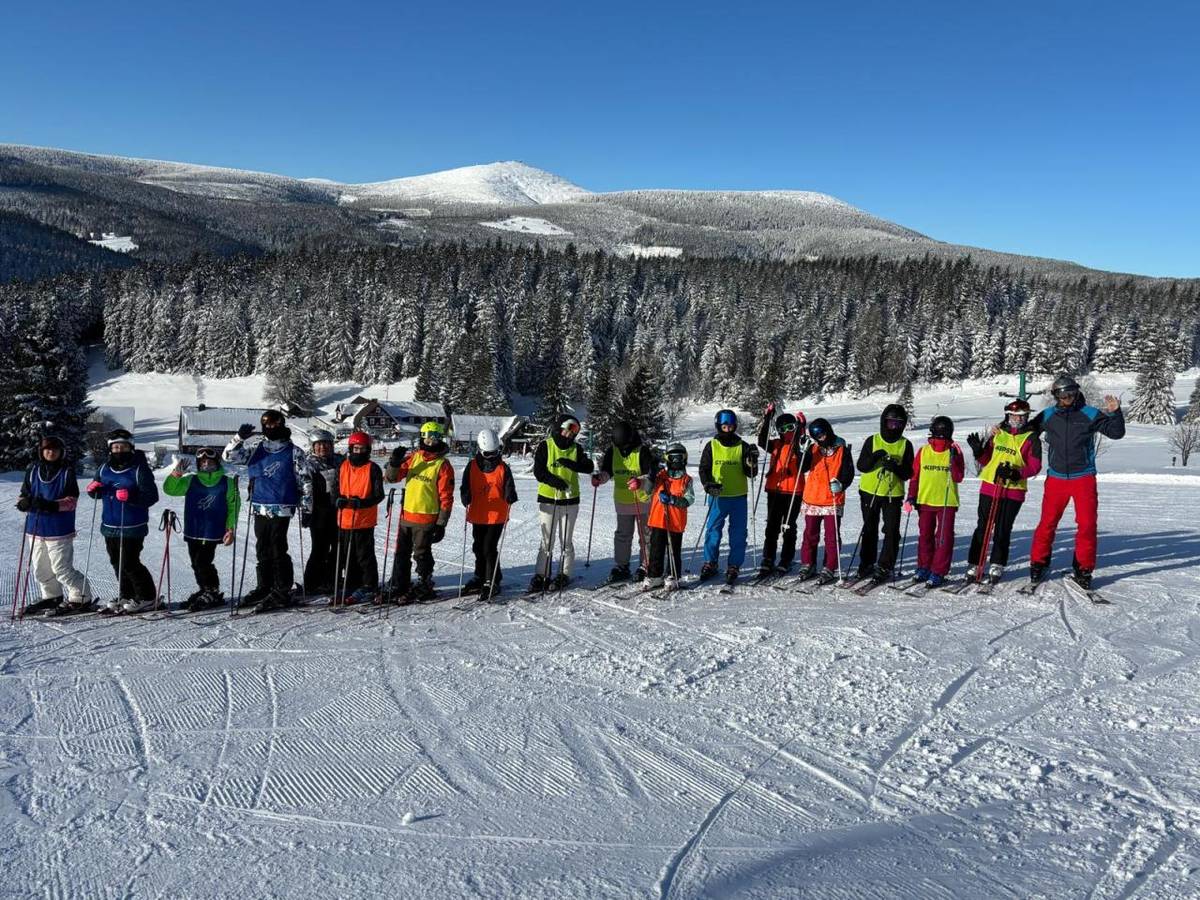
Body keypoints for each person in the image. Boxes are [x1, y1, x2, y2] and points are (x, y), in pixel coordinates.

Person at [1027, 375, 1125, 590]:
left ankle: (1083, 568)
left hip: (1084, 477)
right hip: (1056, 479)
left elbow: (1116, 433)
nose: (1067, 398)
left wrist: (1115, 412)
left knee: (1087, 525)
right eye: (1062, 395)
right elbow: (1025, 431)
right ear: (1056, 396)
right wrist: (1004, 427)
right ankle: (1038, 562)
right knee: (1047, 523)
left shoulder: (1089, 413)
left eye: (1070, 393)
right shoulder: (1048, 415)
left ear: (1077, 391)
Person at [223, 409, 312, 612]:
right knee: (262, 547)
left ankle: (282, 587)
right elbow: (229, 457)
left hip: (282, 505)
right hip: (260, 504)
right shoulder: (257, 448)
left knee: (277, 546)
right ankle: (265, 585)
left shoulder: (294, 451)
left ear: (282, 424)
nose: (271, 428)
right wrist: (238, 438)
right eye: (267, 425)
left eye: (275, 424)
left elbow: (305, 481)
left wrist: (307, 508)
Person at [965, 399, 1043, 584]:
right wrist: (978, 451)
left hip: (1013, 490)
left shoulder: (1031, 438)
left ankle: (997, 563)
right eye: (1013, 416)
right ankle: (975, 563)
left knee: (1002, 528)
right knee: (983, 526)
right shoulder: (998, 433)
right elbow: (987, 460)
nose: (1017, 420)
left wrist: (1016, 473)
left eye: (1021, 417)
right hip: (990, 486)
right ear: (1007, 416)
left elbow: (1035, 465)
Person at [16, 434, 92, 615]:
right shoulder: (33, 469)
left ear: (61, 452)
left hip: (59, 529)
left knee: (61, 569)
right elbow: (24, 493)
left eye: (55, 450)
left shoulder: (66, 472)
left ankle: (81, 596)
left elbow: (72, 501)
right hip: (35, 527)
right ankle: (51, 596)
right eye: (47, 449)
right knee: (40, 569)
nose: (51, 452)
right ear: (41, 451)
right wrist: (23, 503)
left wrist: (51, 505)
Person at [86, 429, 160, 613]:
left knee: (129, 562)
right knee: (116, 562)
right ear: (111, 449)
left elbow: (152, 496)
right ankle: (126, 594)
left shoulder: (139, 469)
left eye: (124, 447)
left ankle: (147, 597)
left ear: (131, 448)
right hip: (110, 524)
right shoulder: (104, 468)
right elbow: (98, 489)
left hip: (132, 526)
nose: (119, 450)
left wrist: (132, 497)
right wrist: (93, 490)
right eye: (116, 447)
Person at [163, 447, 241, 610]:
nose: (206, 464)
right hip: (194, 529)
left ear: (216, 462)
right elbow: (170, 489)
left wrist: (230, 528)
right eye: (203, 462)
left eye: (210, 461)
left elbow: (233, 506)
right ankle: (205, 589)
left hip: (212, 531)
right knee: (195, 563)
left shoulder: (227, 482)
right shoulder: (191, 479)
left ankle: (212, 591)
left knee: (203, 562)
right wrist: (176, 474)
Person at [385, 421, 454, 601]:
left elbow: (446, 497)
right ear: (422, 438)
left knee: (421, 553)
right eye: (428, 438)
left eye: (436, 438)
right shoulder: (414, 457)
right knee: (401, 552)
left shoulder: (442, 465)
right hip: (407, 515)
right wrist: (394, 462)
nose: (432, 442)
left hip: (426, 519)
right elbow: (392, 478)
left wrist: (441, 524)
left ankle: (424, 581)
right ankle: (400, 581)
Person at [530, 414, 594, 591]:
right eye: (568, 430)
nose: (570, 435)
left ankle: (564, 573)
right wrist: (553, 480)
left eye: (574, 432)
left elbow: (589, 466)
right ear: (559, 428)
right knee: (546, 540)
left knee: (566, 540)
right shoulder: (546, 446)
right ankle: (541, 574)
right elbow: (539, 471)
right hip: (548, 500)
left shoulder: (576, 449)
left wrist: (572, 465)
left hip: (570, 500)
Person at [698, 409, 760, 587]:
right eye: (724, 426)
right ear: (718, 426)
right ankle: (710, 562)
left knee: (738, 534)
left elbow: (751, 473)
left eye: (731, 426)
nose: (728, 429)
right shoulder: (712, 446)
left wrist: (752, 461)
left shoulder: (743, 446)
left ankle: (734, 565)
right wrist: (708, 484)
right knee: (713, 531)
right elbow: (704, 469)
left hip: (738, 496)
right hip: (718, 497)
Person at [854, 403, 914, 585]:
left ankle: (885, 565)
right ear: (884, 422)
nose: (893, 427)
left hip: (892, 494)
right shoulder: (872, 440)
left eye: (898, 424)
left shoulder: (906, 444)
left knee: (891, 531)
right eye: (890, 423)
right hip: (869, 491)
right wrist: (873, 458)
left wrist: (895, 467)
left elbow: (908, 473)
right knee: (869, 529)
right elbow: (861, 466)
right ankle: (867, 563)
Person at [904, 416, 966, 588]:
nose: (940, 436)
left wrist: (953, 460)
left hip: (946, 502)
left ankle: (938, 571)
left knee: (943, 538)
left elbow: (958, 477)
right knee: (925, 536)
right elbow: (915, 477)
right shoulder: (923, 451)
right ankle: (924, 566)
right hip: (925, 500)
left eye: (943, 433)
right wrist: (911, 496)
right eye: (938, 432)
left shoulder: (954, 450)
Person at [592, 421, 656, 584]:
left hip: (642, 500)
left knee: (646, 535)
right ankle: (622, 566)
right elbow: (608, 471)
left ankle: (646, 565)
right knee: (622, 535)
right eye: (620, 446)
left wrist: (639, 482)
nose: (623, 449)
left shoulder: (642, 451)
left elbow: (651, 475)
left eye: (625, 445)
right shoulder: (612, 451)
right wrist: (600, 478)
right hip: (622, 501)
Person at [460, 428, 518, 600]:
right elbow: (465, 486)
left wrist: (509, 494)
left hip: (496, 515)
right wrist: (465, 496)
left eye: (494, 453)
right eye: (488, 453)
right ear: (479, 449)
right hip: (478, 513)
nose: (491, 457)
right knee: (478, 547)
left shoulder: (503, 468)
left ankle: (490, 580)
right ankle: (481, 575)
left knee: (488, 548)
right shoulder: (471, 466)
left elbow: (509, 486)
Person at [798, 418, 854, 584]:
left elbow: (848, 472)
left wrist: (841, 483)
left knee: (831, 537)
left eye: (822, 434)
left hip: (832, 499)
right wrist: (802, 451)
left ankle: (830, 566)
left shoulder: (842, 449)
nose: (821, 438)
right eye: (817, 436)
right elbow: (803, 467)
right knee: (810, 534)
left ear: (828, 431)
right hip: (812, 497)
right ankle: (808, 563)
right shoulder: (813, 448)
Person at [755, 404, 808, 578]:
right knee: (772, 526)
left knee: (788, 526)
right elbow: (762, 440)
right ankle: (768, 558)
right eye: (783, 429)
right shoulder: (776, 444)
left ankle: (786, 558)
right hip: (774, 490)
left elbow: (805, 463)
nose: (787, 431)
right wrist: (768, 418)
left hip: (793, 491)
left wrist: (802, 429)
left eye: (790, 427)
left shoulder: (800, 444)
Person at [333, 431, 385, 604]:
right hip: (345, 519)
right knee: (348, 554)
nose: (359, 452)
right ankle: (352, 583)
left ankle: (369, 585)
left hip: (363, 520)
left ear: (368, 450)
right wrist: (337, 500)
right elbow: (335, 488)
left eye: (363, 449)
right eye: (356, 448)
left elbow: (379, 495)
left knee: (364, 555)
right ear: (350, 448)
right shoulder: (343, 466)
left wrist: (361, 503)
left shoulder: (373, 468)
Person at [639, 441, 694, 593]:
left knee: (674, 549)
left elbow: (689, 499)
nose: (676, 461)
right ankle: (654, 575)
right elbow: (648, 491)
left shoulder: (686, 480)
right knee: (656, 548)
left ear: (684, 459)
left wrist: (673, 500)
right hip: (658, 519)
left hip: (675, 521)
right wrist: (651, 473)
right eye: (672, 457)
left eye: (679, 457)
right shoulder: (660, 475)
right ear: (667, 459)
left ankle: (672, 575)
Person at [302, 428, 341, 594]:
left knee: (338, 547)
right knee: (320, 548)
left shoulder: (339, 460)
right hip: (319, 512)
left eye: (326, 444)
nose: (322, 448)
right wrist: (307, 511)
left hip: (338, 510)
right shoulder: (308, 464)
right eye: (318, 445)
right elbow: (305, 489)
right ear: (312, 446)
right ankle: (311, 582)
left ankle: (332, 579)